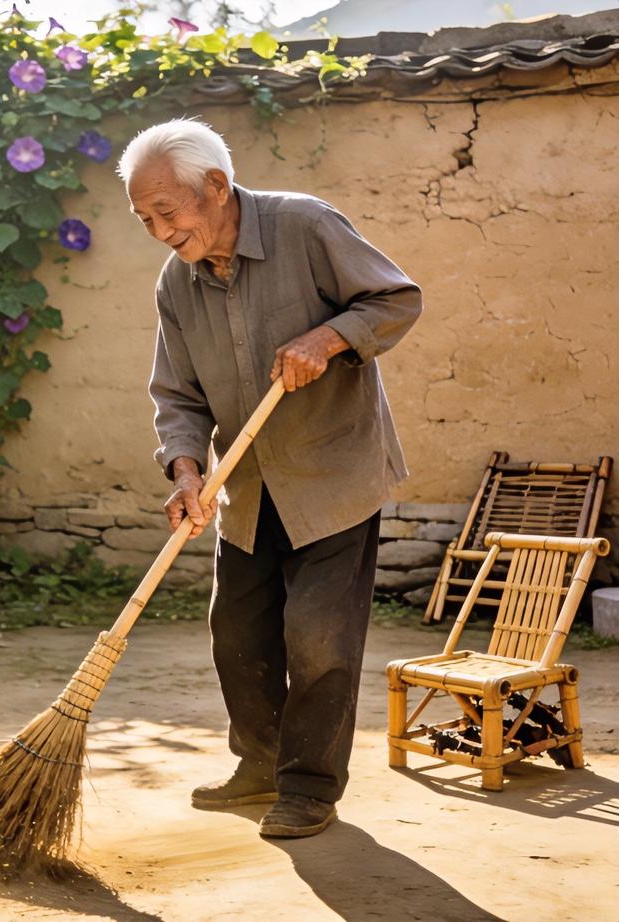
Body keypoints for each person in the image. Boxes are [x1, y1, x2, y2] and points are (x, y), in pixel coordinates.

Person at [117, 119, 423, 838]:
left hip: (333, 474)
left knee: (318, 638)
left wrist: (329, 337)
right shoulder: (177, 283)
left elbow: (395, 299)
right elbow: (178, 396)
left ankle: (309, 787)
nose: (159, 230)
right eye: (144, 219)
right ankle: (259, 765)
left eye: (168, 211)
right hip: (247, 486)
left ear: (216, 188)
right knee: (238, 635)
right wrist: (187, 469)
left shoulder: (305, 226)